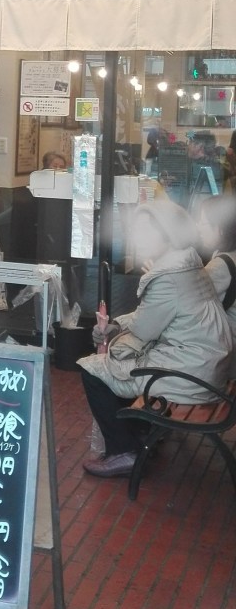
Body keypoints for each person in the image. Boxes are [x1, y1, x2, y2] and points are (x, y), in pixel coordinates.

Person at [78, 199, 233, 478]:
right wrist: (117, 326)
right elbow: (152, 317)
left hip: (192, 374)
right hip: (205, 365)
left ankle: (124, 450)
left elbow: (143, 330)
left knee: (93, 370)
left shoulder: (168, 276)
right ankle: (139, 434)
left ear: (167, 235)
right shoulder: (187, 264)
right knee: (118, 364)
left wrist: (112, 335)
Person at [197, 194, 236, 363]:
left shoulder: (221, 265)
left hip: (224, 354)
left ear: (220, 228)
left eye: (203, 223)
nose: (198, 227)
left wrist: (157, 275)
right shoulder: (228, 255)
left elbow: (189, 303)